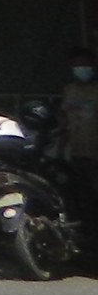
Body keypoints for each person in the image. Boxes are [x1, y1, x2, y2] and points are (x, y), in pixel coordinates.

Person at [62, 48, 98, 210]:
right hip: (76, 150)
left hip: (94, 150)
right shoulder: (69, 90)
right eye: (77, 65)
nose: (81, 69)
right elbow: (64, 117)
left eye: (85, 65)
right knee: (81, 191)